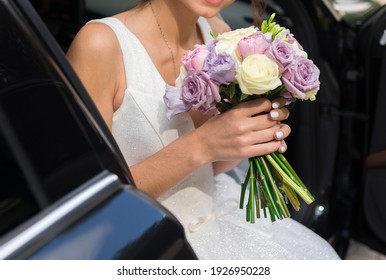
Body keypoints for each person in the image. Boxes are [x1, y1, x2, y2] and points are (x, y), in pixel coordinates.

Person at [66, 0, 340, 259]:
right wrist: (202, 145)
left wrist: (249, 135)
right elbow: (85, 198)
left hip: (214, 216)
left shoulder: (220, 35)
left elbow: (207, 170)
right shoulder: (100, 44)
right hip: (141, 240)